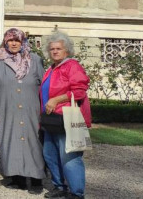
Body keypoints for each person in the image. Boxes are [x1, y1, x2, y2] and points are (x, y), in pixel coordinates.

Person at [0, 28, 45, 194]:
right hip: (7, 107)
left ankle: (36, 179)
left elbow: (44, 86)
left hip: (31, 108)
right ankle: (17, 178)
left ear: (22, 41)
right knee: (10, 140)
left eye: (17, 40)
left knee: (33, 141)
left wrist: (46, 108)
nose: (13, 43)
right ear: (5, 42)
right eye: (10, 40)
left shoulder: (35, 59)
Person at [40, 31, 91, 199]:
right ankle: (59, 187)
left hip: (67, 118)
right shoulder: (52, 68)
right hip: (51, 120)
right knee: (50, 154)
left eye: (59, 48)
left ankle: (76, 193)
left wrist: (56, 99)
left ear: (66, 51)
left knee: (69, 156)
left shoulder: (72, 66)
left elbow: (79, 91)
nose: (55, 51)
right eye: (52, 49)